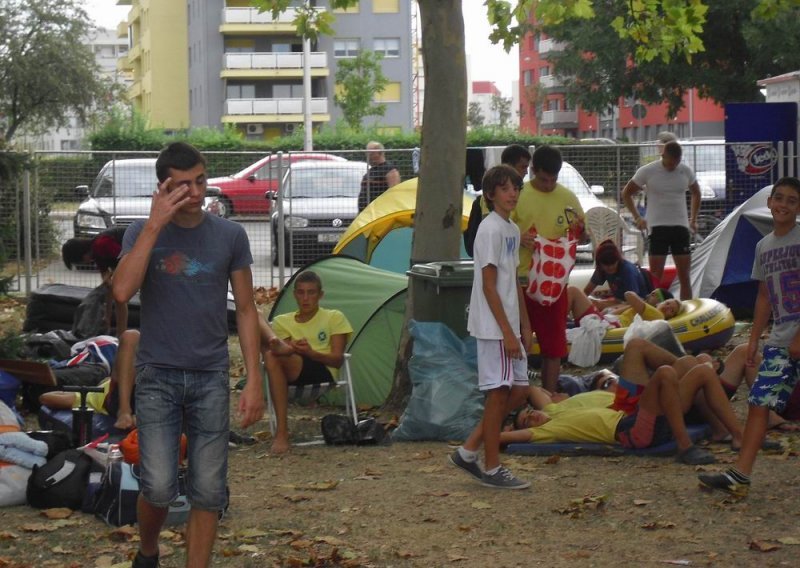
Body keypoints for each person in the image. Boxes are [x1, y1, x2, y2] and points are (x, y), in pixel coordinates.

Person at [112, 142, 264, 568]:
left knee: (208, 490)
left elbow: (248, 309)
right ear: (162, 188)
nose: (195, 193)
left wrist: (254, 379)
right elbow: (122, 291)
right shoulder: (140, 232)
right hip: (158, 375)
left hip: (211, 376)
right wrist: (154, 226)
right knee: (158, 487)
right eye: (181, 185)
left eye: (199, 181)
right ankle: (148, 551)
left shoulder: (230, 235)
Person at [698, 177, 800, 498]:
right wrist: (755, 338)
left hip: (795, 337)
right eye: (778, 198)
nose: (783, 204)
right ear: (769, 203)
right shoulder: (763, 245)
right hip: (780, 340)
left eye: (791, 200)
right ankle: (740, 475)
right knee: (759, 403)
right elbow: (764, 295)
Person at [505, 337, 742, 464]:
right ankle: (685, 446)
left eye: (529, 413)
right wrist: (489, 429)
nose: (533, 417)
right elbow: (506, 436)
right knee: (668, 373)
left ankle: (738, 436)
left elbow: (531, 390)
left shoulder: (554, 407)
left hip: (630, 409)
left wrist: (527, 403)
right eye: (529, 421)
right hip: (631, 420)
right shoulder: (549, 428)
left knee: (689, 365)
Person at [449, 164, 532, 490]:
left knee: (520, 390)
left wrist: (524, 324)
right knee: (498, 394)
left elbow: (512, 280)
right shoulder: (489, 229)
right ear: (491, 194)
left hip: (509, 325)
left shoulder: (510, 229)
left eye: (516, 188)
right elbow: (488, 285)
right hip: (495, 328)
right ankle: (492, 466)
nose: (512, 193)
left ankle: (469, 451)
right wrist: (508, 332)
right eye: (505, 188)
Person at [512, 145, 585, 392]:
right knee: (519, 342)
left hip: (554, 285)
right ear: (533, 171)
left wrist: (579, 234)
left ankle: (550, 395)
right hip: (521, 281)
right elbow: (498, 231)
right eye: (544, 180)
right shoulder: (517, 196)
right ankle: (518, 396)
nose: (548, 185)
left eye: (553, 180)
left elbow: (580, 234)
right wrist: (519, 238)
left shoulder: (567, 197)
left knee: (553, 346)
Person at [263, 271, 353, 455]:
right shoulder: (282, 321)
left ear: (320, 295)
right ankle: (285, 347)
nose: (305, 298)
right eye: (301, 292)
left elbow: (337, 360)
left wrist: (311, 353)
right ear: (294, 294)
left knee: (272, 355)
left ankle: (282, 434)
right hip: (288, 372)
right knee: (255, 317)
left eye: (311, 293)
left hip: (321, 369)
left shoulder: (334, 317)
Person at [622, 140, 701, 300]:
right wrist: (638, 217)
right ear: (662, 155)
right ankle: (655, 310)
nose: (673, 166)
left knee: (684, 276)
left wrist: (693, 219)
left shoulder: (685, 171)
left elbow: (696, 193)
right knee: (655, 276)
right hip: (657, 227)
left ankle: (687, 310)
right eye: (670, 162)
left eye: (676, 163)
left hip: (680, 227)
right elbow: (626, 193)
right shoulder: (648, 171)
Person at [38, 329, 139, 431]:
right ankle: (124, 411)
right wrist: (80, 391)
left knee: (131, 337)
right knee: (130, 336)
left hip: (145, 390)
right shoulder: (90, 396)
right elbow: (45, 398)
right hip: (124, 398)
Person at [464, 144, 532, 257]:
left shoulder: (513, 228)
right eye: (523, 167)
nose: (513, 195)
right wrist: (518, 238)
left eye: (516, 190)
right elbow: (491, 242)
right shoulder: (490, 225)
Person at [62, 227, 128, 335]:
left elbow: (126, 258)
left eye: (79, 261)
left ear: (82, 255)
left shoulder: (101, 244)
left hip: (142, 247)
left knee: (120, 298)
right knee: (117, 294)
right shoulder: (97, 256)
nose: (83, 264)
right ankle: (120, 335)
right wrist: (107, 316)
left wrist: (112, 275)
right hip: (129, 256)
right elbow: (109, 287)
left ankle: (122, 336)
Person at [583, 239, 650, 309]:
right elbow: (586, 291)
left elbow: (634, 302)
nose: (610, 267)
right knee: (591, 302)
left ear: (618, 260)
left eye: (613, 263)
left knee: (597, 305)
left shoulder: (628, 271)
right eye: (606, 264)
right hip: (620, 301)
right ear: (600, 264)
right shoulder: (601, 269)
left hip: (636, 303)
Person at [358, 141, 401, 211]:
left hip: (379, 212)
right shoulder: (370, 170)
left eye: (370, 153)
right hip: (365, 213)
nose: (367, 156)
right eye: (367, 153)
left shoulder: (390, 170)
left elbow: (394, 194)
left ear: (379, 153)